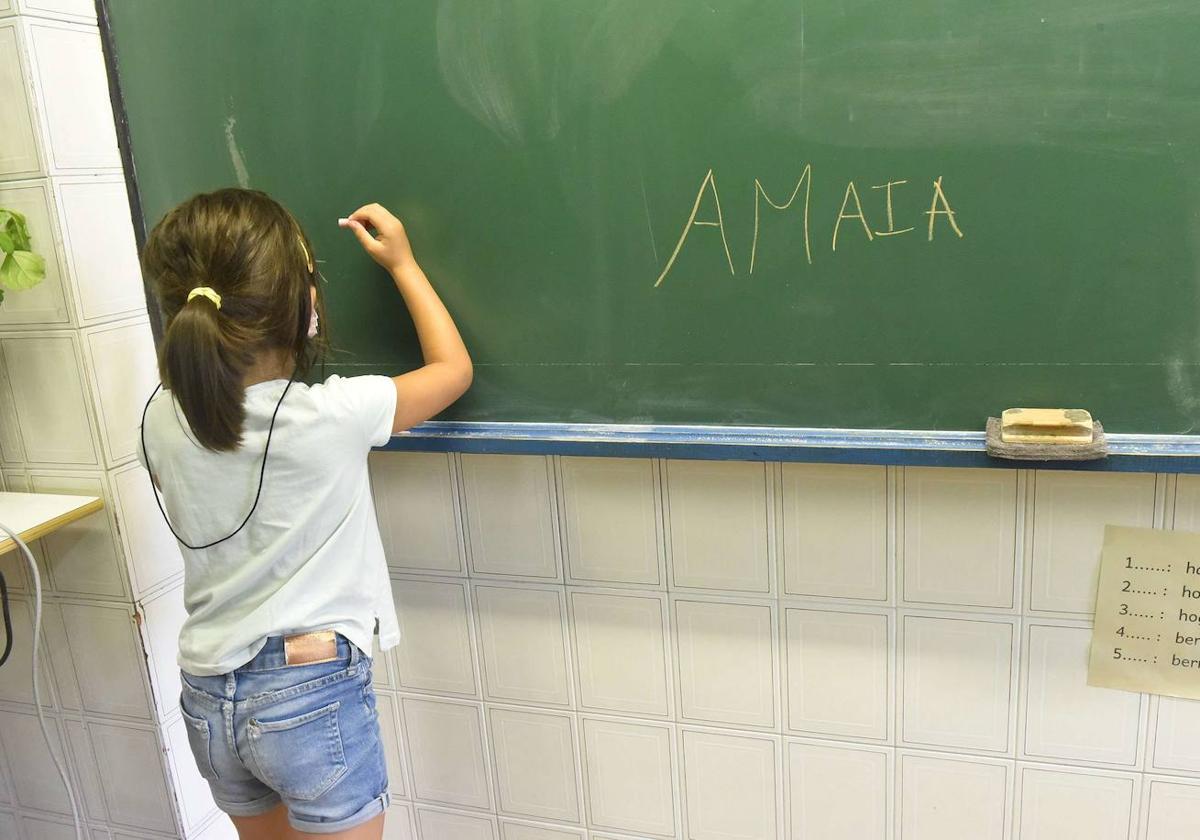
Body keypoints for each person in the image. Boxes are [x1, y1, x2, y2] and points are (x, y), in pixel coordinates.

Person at [137, 189, 471, 839]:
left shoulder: (159, 416)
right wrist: (402, 263)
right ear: (304, 309)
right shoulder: (330, 416)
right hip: (308, 691)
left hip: (207, 694)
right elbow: (452, 370)